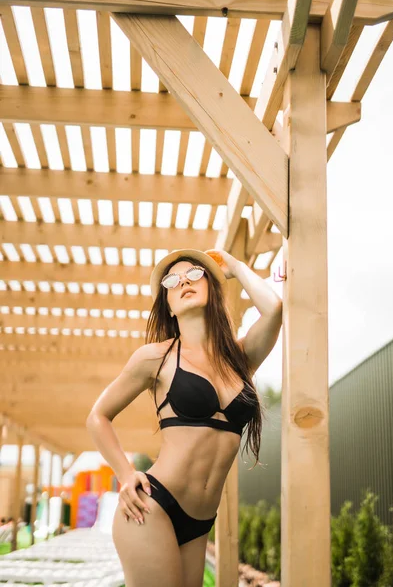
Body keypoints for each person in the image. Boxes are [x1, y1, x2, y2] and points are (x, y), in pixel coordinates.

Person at [86, 248, 282, 587]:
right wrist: (126, 473)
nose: (184, 282)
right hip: (152, 506)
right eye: (172, 281)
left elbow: (274, 308)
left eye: (194, 274)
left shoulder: (239, 359)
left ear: (211, 288)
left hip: (200, 522)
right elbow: (98, 416)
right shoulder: (156, 358)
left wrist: (234, 266)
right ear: (169, 305)